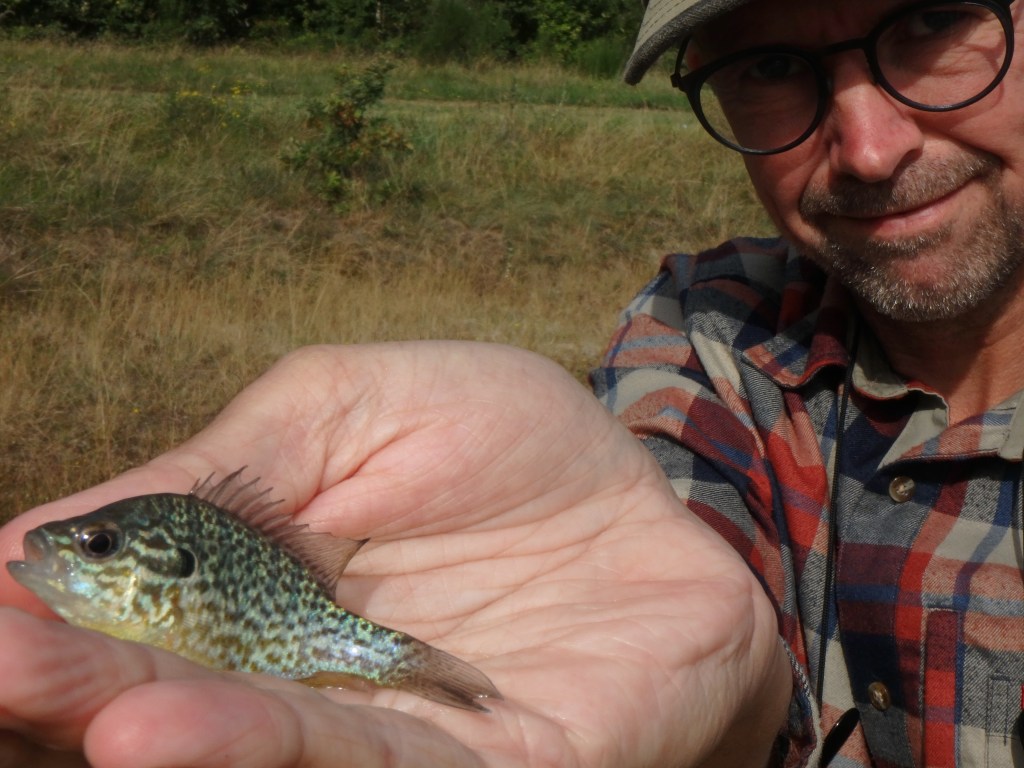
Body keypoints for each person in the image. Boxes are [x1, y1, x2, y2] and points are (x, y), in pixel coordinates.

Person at [1, 0, 1021, 765]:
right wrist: (732, 684)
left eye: (931, 20)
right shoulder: (709, 326)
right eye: (770, 65)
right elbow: (691, 614)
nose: (870, 149)